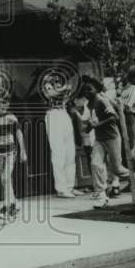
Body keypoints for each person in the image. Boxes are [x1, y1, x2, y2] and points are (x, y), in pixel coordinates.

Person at [0, 94, 28, 222]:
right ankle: (14, 204)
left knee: (6, 178)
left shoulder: (11, 117)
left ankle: (6, 208)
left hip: (10, 152)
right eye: (0, 102)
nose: (4, 105)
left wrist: (23, 151)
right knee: (5, 180)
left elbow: (19, 134)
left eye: (6, 103)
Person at [87, 76, 129, 199]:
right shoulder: (89, 104)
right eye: (85, 90)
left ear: (97, 89)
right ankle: (100, 192)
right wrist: (88, 127)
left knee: (117, 169)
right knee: (95, 163)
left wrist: (97, 125)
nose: (86, 92)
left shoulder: (102, 100)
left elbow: (114, 117)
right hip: (99, 139)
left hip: (112, 137)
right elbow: (91, 122)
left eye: (89, 89)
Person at [43, 71, 80, 199]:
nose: (58, 81)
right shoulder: (46, 81)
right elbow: (51, 93)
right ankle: (61, 188)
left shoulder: (63, 83)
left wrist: (67, 87)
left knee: (70, 152)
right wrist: (65, 88)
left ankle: (70, 186)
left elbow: (69, 94)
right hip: (53, 115)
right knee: (59, 153)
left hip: (64, 113)